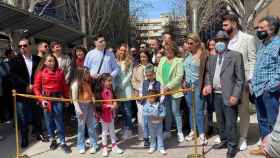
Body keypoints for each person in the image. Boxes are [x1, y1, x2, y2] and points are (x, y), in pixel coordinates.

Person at [203, 31, 245, 158]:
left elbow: (240, 79)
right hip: (216, 94)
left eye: (222, 40)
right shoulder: (212, 58)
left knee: (230, 123)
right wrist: (208, 84)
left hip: (230, 95)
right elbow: (209, 74)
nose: (219, 43)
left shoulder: (236, 56)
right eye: (217, 41)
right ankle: (224, 140)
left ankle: (232, 146)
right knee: (221, 121)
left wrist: (235, 95)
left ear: (227, 42)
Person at [222, 14, 257, 151]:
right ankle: (231, 136)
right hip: (226, 83)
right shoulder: (224, 41)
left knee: (243, 111)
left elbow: (252, 60)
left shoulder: (248, 39)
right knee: (229, 111)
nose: (223, 28)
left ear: (234, 24)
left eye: (226, 25)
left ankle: (243, 138)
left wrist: (250, 80)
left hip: (242, 82)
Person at [250, 15, 280, 156]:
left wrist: (270, 87)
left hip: (269, 92)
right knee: (262, 120)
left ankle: (275, 151)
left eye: (262, 28)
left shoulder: (278, 44)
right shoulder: (263, 44)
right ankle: (265, 148)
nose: (259, 30)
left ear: (272, 29)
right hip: (258, 90)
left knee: (272, 122)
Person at [9, 38, 44, 148]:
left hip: (36, 92)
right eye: (20, 46)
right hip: (21, 94)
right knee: (23, 117)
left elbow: (41, 74)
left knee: (37, 114)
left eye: (24, 45)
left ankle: (38, 133)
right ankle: (24, 137)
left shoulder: (38, 59)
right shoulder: (14, 61)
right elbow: (14, 76)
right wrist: (26, 85)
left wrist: (34, 85)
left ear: (30, 46)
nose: (22, 48)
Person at [33, 54, 71, 153]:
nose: (51, 63)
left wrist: (67, 99)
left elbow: (64, 87)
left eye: (53, 61)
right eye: (49, 61)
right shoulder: (40, 73)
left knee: (59, 121)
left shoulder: (60, 72)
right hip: (46, 101)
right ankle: (53, 140)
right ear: (45, 62)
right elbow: (36, 88)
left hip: (58, 99)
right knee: (49, 122)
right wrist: (42, 100)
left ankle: (62, 142)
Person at [156, 41, 185, 142]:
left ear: (174, 50)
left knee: (175, 112)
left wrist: (168, 86)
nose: (167, 51)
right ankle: (167, 131)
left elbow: (179, 76)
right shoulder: (162, 59)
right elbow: (158, 74)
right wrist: (161, 85)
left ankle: (180, 132)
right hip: (163, 91)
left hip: (175, 91)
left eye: (170, 49)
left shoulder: (179, 60)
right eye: (166, 49)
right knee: (167, 112)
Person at [183, 33, 208, 145]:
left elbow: (207, 72)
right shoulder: (187, 55)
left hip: (198, 84)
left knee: (198, 110)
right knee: (191, 110)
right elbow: (185, 69)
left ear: (197, 43)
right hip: (187, 85)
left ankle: (202, 134)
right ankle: (193, 131)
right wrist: (184, 80)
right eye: (187, 43)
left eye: (191, 43)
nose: (188, 45)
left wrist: (206, 85)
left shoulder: (203, 54)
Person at [71, 67, 98, 154]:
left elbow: (91, 94)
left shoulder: (87, 83)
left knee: (91, 126)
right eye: (87, 73)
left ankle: (94, 144)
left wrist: (93, 98)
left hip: (89, 105)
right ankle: (81, 145)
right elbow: (74, 100)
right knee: (81, 127)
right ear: (81, 74)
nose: (88, 75)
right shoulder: (75, 85)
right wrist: (79, 110)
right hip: (81, 107)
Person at [97, 73, 123, 157]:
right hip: (104, 115)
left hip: (111, 114)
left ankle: (114, 145)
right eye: (108, 81)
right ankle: (104, 147)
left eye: (111, 81)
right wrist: (109, 106)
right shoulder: (100, 92)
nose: (110, 82)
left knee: (112, 130)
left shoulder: (111, 90)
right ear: (103, 82)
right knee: (104, 132)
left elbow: (114, 99)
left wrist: (115, 104)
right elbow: (99, 104)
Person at [138, 64, 161, 147]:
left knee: (155, 122)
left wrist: (158, 104)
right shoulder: (144, 83)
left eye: (150, 75)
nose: (149, 77)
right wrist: (140, 98)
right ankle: (146, 138)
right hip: (145, 106)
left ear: (154, 74)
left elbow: (161, 95)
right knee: (145, 123)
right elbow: (141, 92)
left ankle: (155, 138)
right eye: (147, 75)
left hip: (155, 106)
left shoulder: (158, 83)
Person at [131, 50, 151, 142]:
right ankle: (142, 134)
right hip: (139, 93)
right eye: (141, 57)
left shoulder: (152, 67)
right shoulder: (136, 68)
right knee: (141, 114)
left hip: (151, 93)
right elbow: (133, 81)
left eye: (144, 56)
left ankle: (150, 133)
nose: (143, 58)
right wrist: (137, 90)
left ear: (148, 57)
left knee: (150, 113)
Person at [115, 44, 134, 140]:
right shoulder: (115, 61)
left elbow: (130, 74)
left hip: (126, 88)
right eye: (121, 50)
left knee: (127, 110)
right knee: (122, 110)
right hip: (118, 89)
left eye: (124, 51)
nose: (122, 52)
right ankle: (126, 127)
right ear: (118, 51)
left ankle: (129, 129)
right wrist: (117, 85)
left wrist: (123, 84)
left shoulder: (129, 61)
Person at [143, 90, 166, 155]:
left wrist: (160, 118)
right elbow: (144, 113)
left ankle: (161, 148)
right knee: (152, 136)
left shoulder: (160, 105)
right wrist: (151, 115)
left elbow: (163, 112)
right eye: (148, 97)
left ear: (155, 97)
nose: (149, 99)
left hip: (159, 123)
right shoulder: (146, 105)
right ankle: (152, 147)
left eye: (151, 97)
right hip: (151, 123)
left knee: (159, 135)